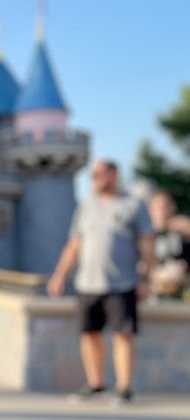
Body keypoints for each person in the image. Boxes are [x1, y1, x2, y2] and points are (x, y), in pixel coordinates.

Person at [47, 159, 155, 404]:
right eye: (91, 175)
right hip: (88, 282)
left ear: (113, 174)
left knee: (122, 335)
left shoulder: (133, 205)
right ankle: (96, 384)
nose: (93, 179)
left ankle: (124, 389)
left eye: (98, 174)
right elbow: (74, 244)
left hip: (122, 282)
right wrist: (60, 275)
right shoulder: (86, 207)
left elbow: (147, 243)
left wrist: (145, 278)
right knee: (89, 334)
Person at [148, 190, 190, 298]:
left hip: (182, 284)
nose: (163, 210)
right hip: (153, 286)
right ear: (150, 209)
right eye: (158, 206)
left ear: (173, 207)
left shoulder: (183, 228)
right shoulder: (145, 233)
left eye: (166, 205)